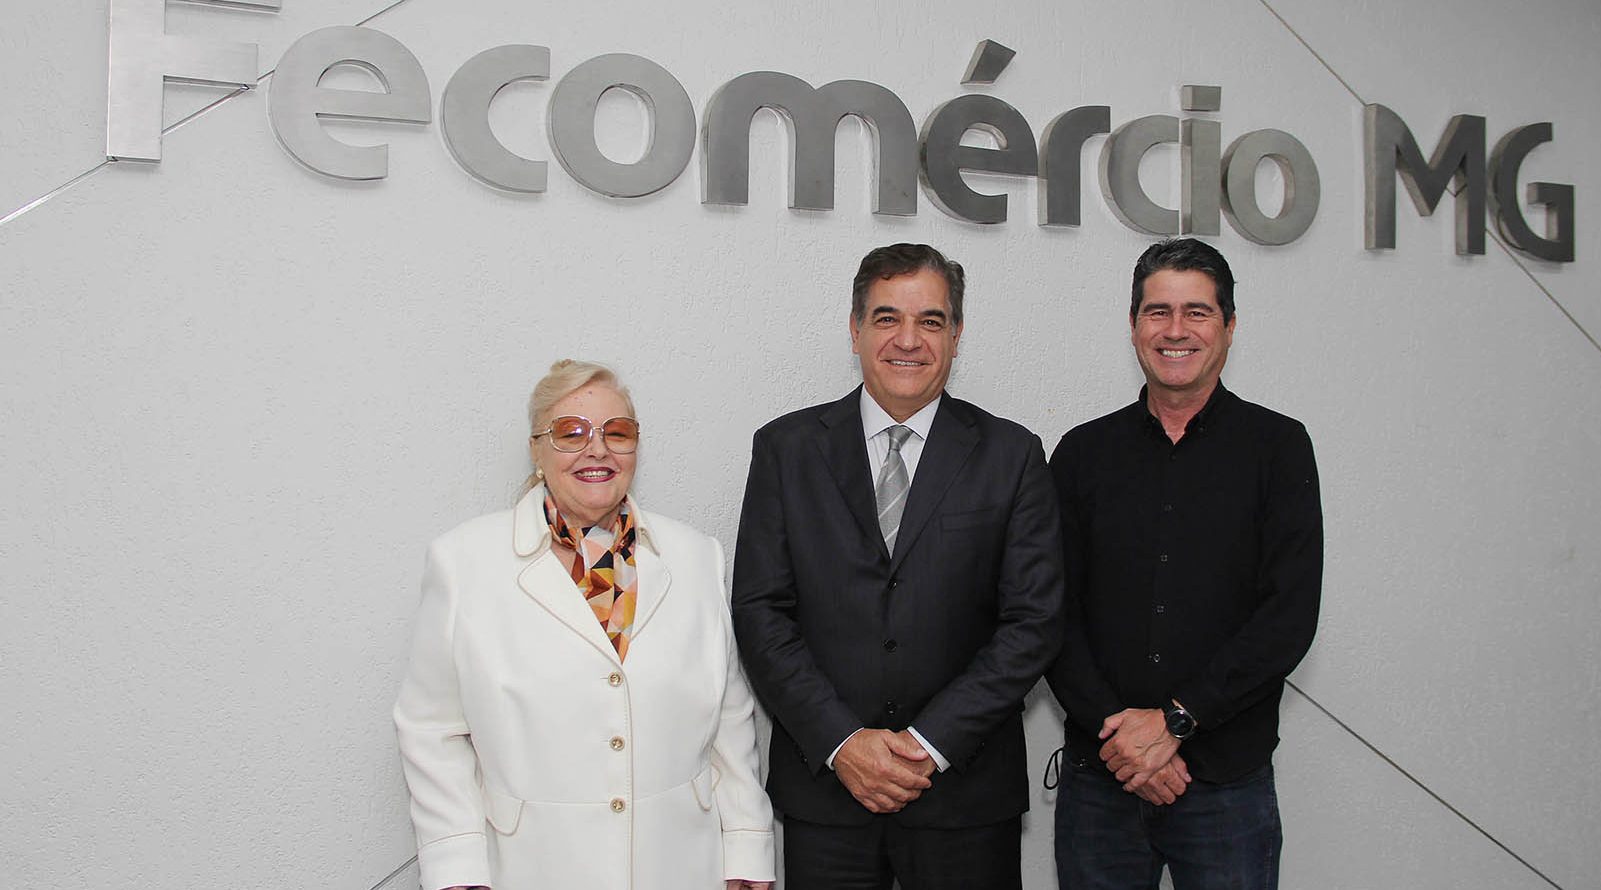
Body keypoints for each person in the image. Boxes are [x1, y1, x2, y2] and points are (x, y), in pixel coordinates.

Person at [731, 243, 1064, 890]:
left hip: (965, 800)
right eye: (887, 318)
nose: (908, 340)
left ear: (957, 335)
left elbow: (1034, 622)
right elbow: (761, 611)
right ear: (855, 329)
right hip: (829, 796)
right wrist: (842, 742)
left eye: (930, 321)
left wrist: (928, 745)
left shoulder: (1013, 454)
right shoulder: (786, 450)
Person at [393, 360, 775, 890]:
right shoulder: (464, 563)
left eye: (617, 432)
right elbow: (431, 729)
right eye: (571, 432)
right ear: (537, 449)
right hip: (530, 868)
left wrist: (748, 847)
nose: (597, 449)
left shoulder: (695, 557)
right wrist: (456, 868)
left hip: (681, 864)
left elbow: (729, 720)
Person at [1046, 238, 1323, 890]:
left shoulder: (1279, 448)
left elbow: (1287, 617)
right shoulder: (1082, 454)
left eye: (1197, 312)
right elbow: (1050, 614)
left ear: (1229, 326)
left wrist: (1175, 721)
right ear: (1134, 325)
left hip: (1225, 786)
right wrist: (1123, 740)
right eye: (1157, 311)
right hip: (1102, 780)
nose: (1175, 330)